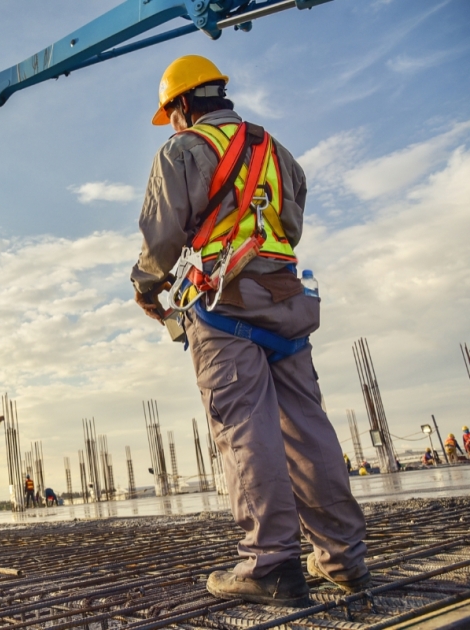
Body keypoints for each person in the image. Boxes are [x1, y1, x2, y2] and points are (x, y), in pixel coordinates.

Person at [132, 55, 369, 607]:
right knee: (308, 427)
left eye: (170, 112)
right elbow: (290, 224)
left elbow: (162, 235)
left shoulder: (183, 150)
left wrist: (146, 287)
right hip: (285, 299)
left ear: (184, 103)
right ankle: (345, 560)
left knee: (245, 428)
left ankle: (273, 563)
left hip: (222, 304)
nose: (170, 122)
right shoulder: (276, 151)